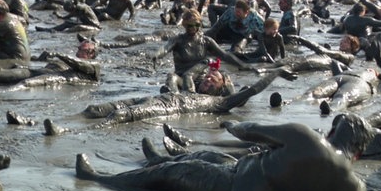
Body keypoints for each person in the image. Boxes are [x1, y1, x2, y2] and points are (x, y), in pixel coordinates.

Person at [75, 118, 367, 191]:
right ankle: (156, 158)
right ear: (360, 152)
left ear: (331, 132)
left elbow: (249, 130)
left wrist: (230, 124)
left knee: (172, 174)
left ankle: (99, 178)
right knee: (208, 156)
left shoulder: (308, 138)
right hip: (248, 185)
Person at [78, 68, 295, 128]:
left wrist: (276, 72)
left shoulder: (219, 103)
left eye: (214, 80)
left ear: (220, 89)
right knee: (96, 109)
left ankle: (75, 131)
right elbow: (186, 74)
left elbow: (253, 90)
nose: (208, 80)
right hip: (153, 99)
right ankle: (65, 123)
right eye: (207, 77)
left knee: (122, 115)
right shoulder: (188, 88)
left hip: (166, 109)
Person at [152, 9, 252, 77]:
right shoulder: (177, 40)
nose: (194, 28)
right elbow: (165, 48)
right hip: (182, 77)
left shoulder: (206, 41)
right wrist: (156, 55)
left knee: (222, 77)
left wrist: (243, 65)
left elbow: (224, 55)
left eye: (197, 25)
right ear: (184, 25)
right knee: (171, 78)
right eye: (190, 25)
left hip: (201, 78)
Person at [0, 39, 100, 94]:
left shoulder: (94, 65)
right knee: (16, 72)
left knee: (27, 82)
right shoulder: (72, 62)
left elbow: (78, 63)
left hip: (56, 77)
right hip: (48, 71)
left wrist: (59, 55)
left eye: (82, 50)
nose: (78, 52)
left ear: (91, 54)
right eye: (78, 49)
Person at [35, 0, 101, 33]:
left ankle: (60, 33)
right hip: (85, 24)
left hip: (94, 27)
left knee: (79, 27)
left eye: (70, 10)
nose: (71, 12)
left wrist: (75, 5)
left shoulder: (83, 7)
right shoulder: (75, 10)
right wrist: (59, 16)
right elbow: (67, 17)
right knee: (67, 23)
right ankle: (48, 29)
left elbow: (81, 7)